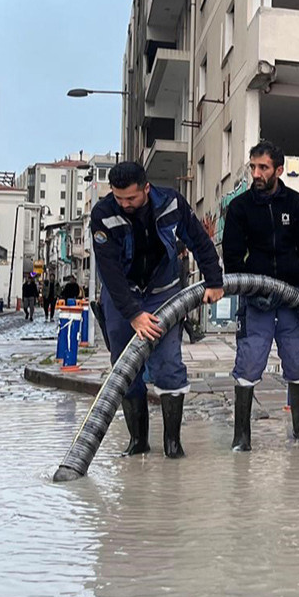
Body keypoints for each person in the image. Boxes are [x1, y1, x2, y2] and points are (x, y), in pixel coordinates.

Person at [90, 161, 225, 459]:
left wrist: (214, 281)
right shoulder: (102, 214)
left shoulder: (171, 203)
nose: (124, 204)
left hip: (164, 293)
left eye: (131, 199)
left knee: (168, 364)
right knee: (124, 366)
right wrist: (133, 314)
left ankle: (172, 445)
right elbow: (109, 270)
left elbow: (200, 241)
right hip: (121, 295)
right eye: (119, 198)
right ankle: (138, 441)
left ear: (146, 189)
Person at [222, 141, 299, 452]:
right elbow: (233, 257)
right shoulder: (240, 208)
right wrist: (250, 290)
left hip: (294, 301)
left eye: (263, 167)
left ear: (278, 170)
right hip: (257, 302)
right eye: (253, 167)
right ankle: (242, 435)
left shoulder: (296, 204)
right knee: (249, 362)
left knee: (296, 361)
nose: (256, 173)